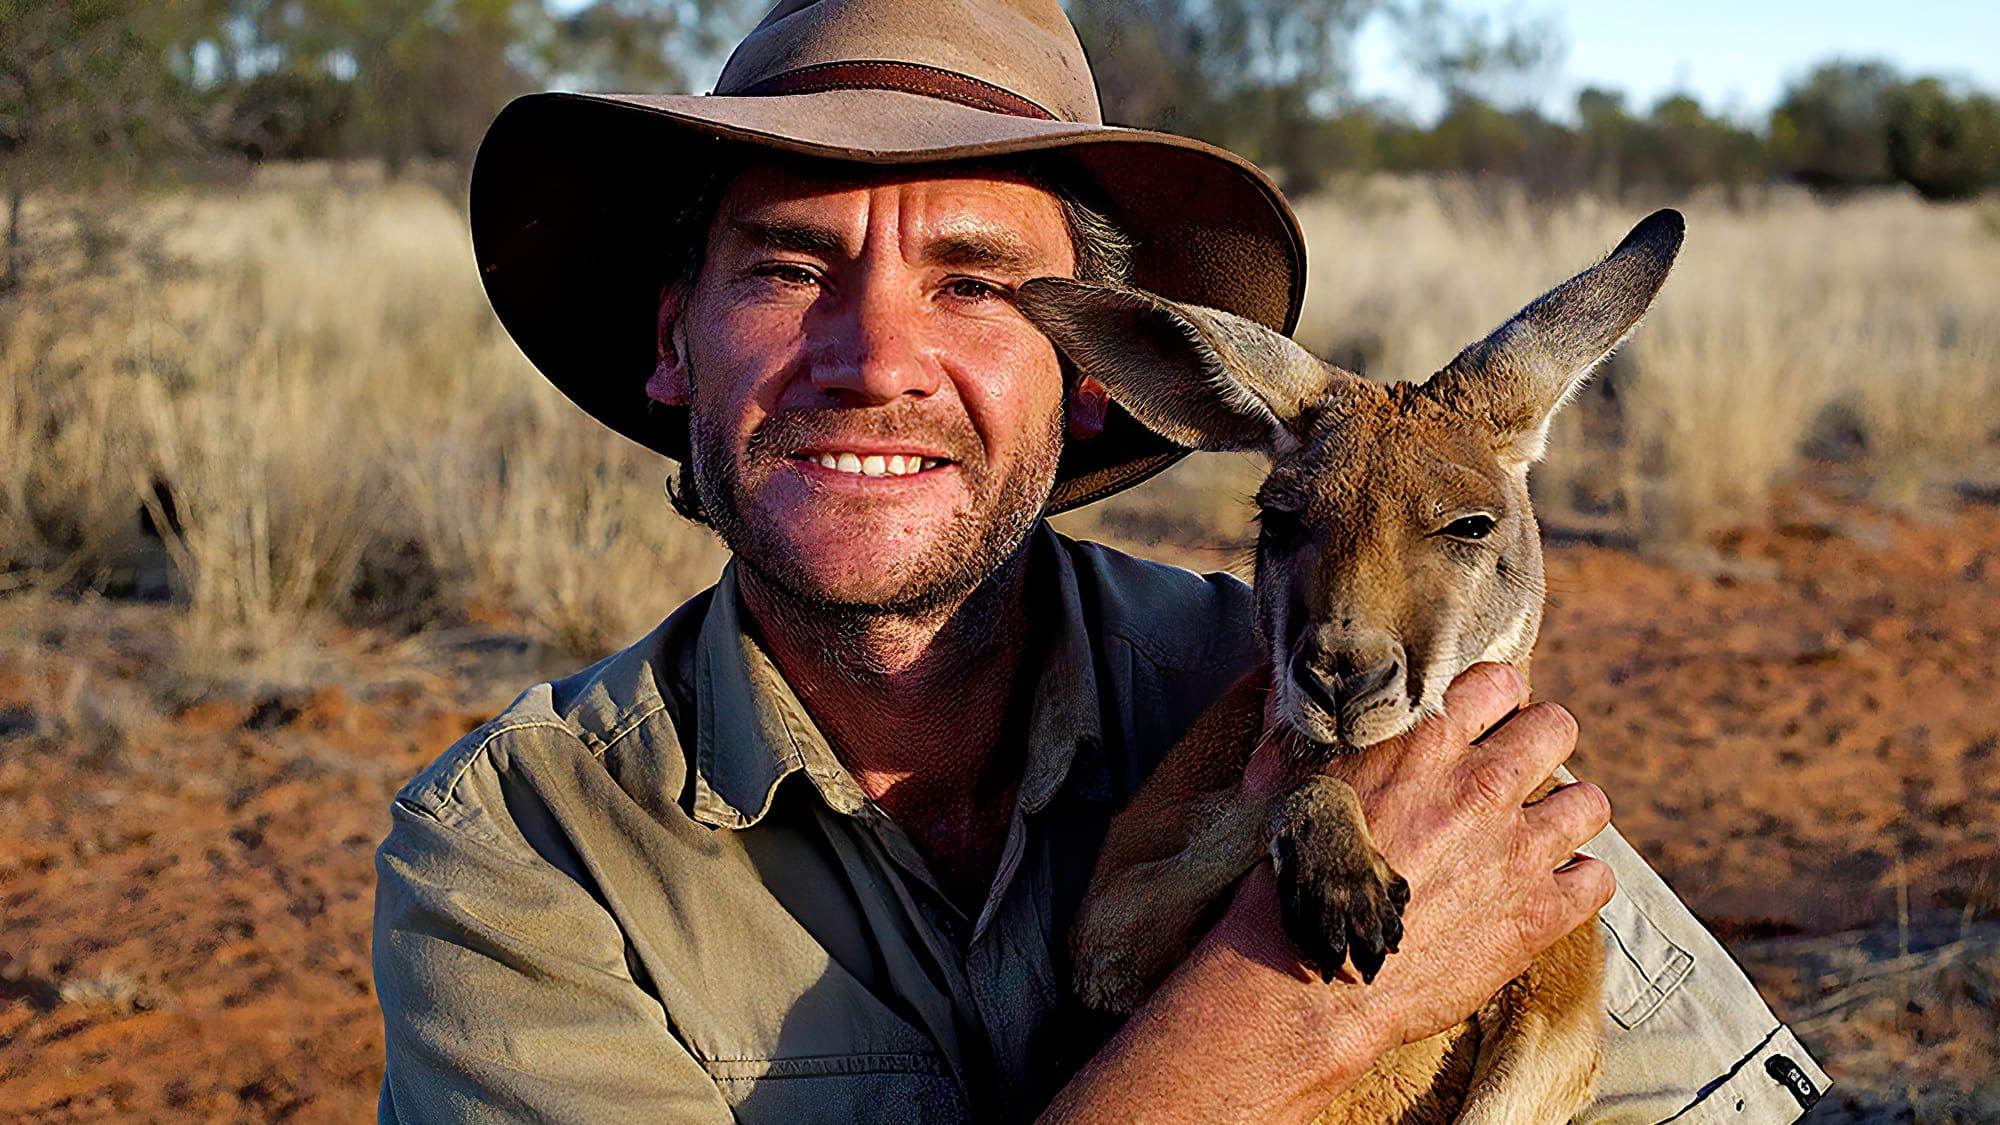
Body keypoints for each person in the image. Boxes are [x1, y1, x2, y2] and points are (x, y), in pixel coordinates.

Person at [372, 1, 1827, 1120]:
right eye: (789, 267)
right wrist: (1293, 1007)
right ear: (672, 345)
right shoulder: (520, 854)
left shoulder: (1335, 698)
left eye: (976, 283)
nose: (875, 359)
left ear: (1094, 377)